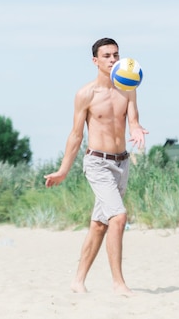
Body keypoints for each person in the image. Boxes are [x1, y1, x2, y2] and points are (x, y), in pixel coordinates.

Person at [44, 37, 148, 296]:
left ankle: (77, 281)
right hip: (97, 163)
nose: (113, 59)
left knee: (100, 224)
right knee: (119, 217)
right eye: (107, 56)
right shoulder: (86, 94)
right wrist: (63, 170)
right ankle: (118, 283)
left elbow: (133, 120)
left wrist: (136, 130)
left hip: (122, 163)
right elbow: (76, 135)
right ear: (95, 61)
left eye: (116, 55)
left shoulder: (128, 87)